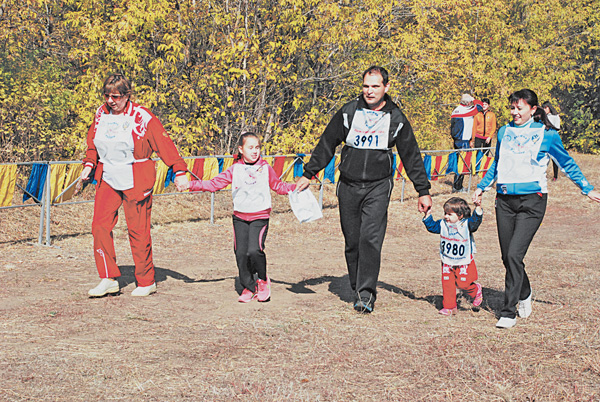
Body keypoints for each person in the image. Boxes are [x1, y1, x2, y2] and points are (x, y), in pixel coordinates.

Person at [295, 66, 432, 313]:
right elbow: (327, 142)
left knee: (370, 238)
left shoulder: (396, 118)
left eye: (375, 86)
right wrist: (309, 173)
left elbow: (411, 155)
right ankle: (357, 285)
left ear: (386, 88)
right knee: (353, 241)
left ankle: (366, 294)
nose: (369, 91)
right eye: (366, 86)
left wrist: (423, 190)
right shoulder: (349, 112)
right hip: (348, 184)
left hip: (378, 186)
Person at [473, 89, 600, 329]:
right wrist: (482, 187)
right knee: (508, 256)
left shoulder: (547, 134)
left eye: (519, 108)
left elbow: (566, 163)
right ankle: (525, 292)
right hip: (505, 200)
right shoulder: (504, 131)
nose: (514, 112)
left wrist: (587, 188)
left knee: (513, 255)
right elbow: (497, 164)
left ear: (533, 110)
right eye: (512, 107)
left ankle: (508, 312)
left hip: (533, 201)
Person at [78, 73, 189, 297]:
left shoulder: (142, 116)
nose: (111, 101)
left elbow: (164, 144)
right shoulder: (100, 114)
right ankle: (108, 277)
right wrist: (89, 165)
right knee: (99, 226)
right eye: (107, 96)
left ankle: (146, 280)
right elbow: (93, 144)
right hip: (108, 176)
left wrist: (179, 170)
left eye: (116, 97)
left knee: (137, 231)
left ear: (127, 96)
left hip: (136, 178)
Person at [178, 133, 296, 303]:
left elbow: (278, 185)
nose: (254, 151)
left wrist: (296, 188)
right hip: (240, 217)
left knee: (254, 250)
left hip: (260, 217)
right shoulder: (235, 169)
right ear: (241, 149)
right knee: (241, 253)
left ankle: (262, 280)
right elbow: (213, 184)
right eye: (250, 147)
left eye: (257, 147)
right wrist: (190, 184)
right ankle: (249, 287)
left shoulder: (266, 168)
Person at [423, 197, 484, 315]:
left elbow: (475, 223)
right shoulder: (443, 224)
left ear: (460, 215)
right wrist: (427, 215)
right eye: (445, 213)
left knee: (463, 284)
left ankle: (476, 290)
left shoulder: (466, 224)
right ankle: (450, 307)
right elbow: (432, 227)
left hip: (464, 261)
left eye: (450, 214)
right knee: (447, 284)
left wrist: (478, 207)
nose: (446, 216)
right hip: (447, 260)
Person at [450, 94, 483, 192]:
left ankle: (456, 186)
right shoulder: (467, 111)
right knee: (463, 164)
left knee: (458, 163)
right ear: (468, 103)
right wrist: (474, 99)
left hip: (457, 140)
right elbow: (480, 106)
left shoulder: (456, 110)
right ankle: (458, 187)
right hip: (463, 140)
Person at [542, 101, 561, 180]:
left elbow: (558, 127)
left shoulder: (555, 116)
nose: (544, 109)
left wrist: (549, 126)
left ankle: (555, 176)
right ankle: (542, 174)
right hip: (545, 138)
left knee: (554, 159)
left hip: (553, 139)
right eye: (543, 108)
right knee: (544, 158)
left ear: (549, 107)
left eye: (546, 108)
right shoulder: (543, 117)